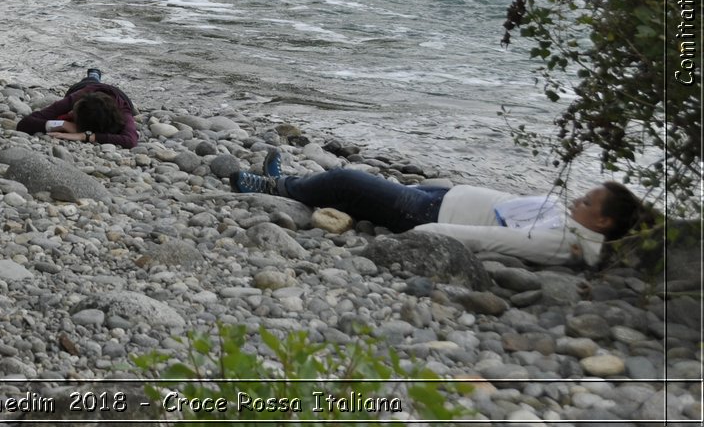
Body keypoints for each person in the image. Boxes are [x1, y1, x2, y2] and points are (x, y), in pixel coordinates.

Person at [229, 152, 643, 266]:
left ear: (603, 221)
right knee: (358, 192)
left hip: (429, 215)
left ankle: (274, 184)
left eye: (586, 202)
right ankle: (296, 186)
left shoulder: (565, 245)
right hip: (443, 199)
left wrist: (417, 241)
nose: (576, 200)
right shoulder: (574, 229)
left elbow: (491, 239)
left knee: (346, 180)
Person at [16, 68, 139, 147]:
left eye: (73, 113)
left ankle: (95, 76)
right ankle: (94, 75)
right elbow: (24, 123)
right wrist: (63, 124)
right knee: (91, 80)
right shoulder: (76, 98)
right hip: (87, 87)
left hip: (121, 95)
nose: (69, 112)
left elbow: (130, 140)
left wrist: (85, 136)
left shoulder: (123, 111)